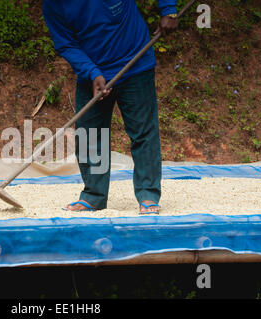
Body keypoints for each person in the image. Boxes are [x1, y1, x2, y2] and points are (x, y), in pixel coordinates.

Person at [42, 0, 179, 214]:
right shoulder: (53, 5)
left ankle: (148, 194)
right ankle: (94, 196)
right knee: (90, 136)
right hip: (92, 73)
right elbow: (66, 44)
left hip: (135, 62)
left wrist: (169, 9)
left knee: (143, 132)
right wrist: (92, 72)